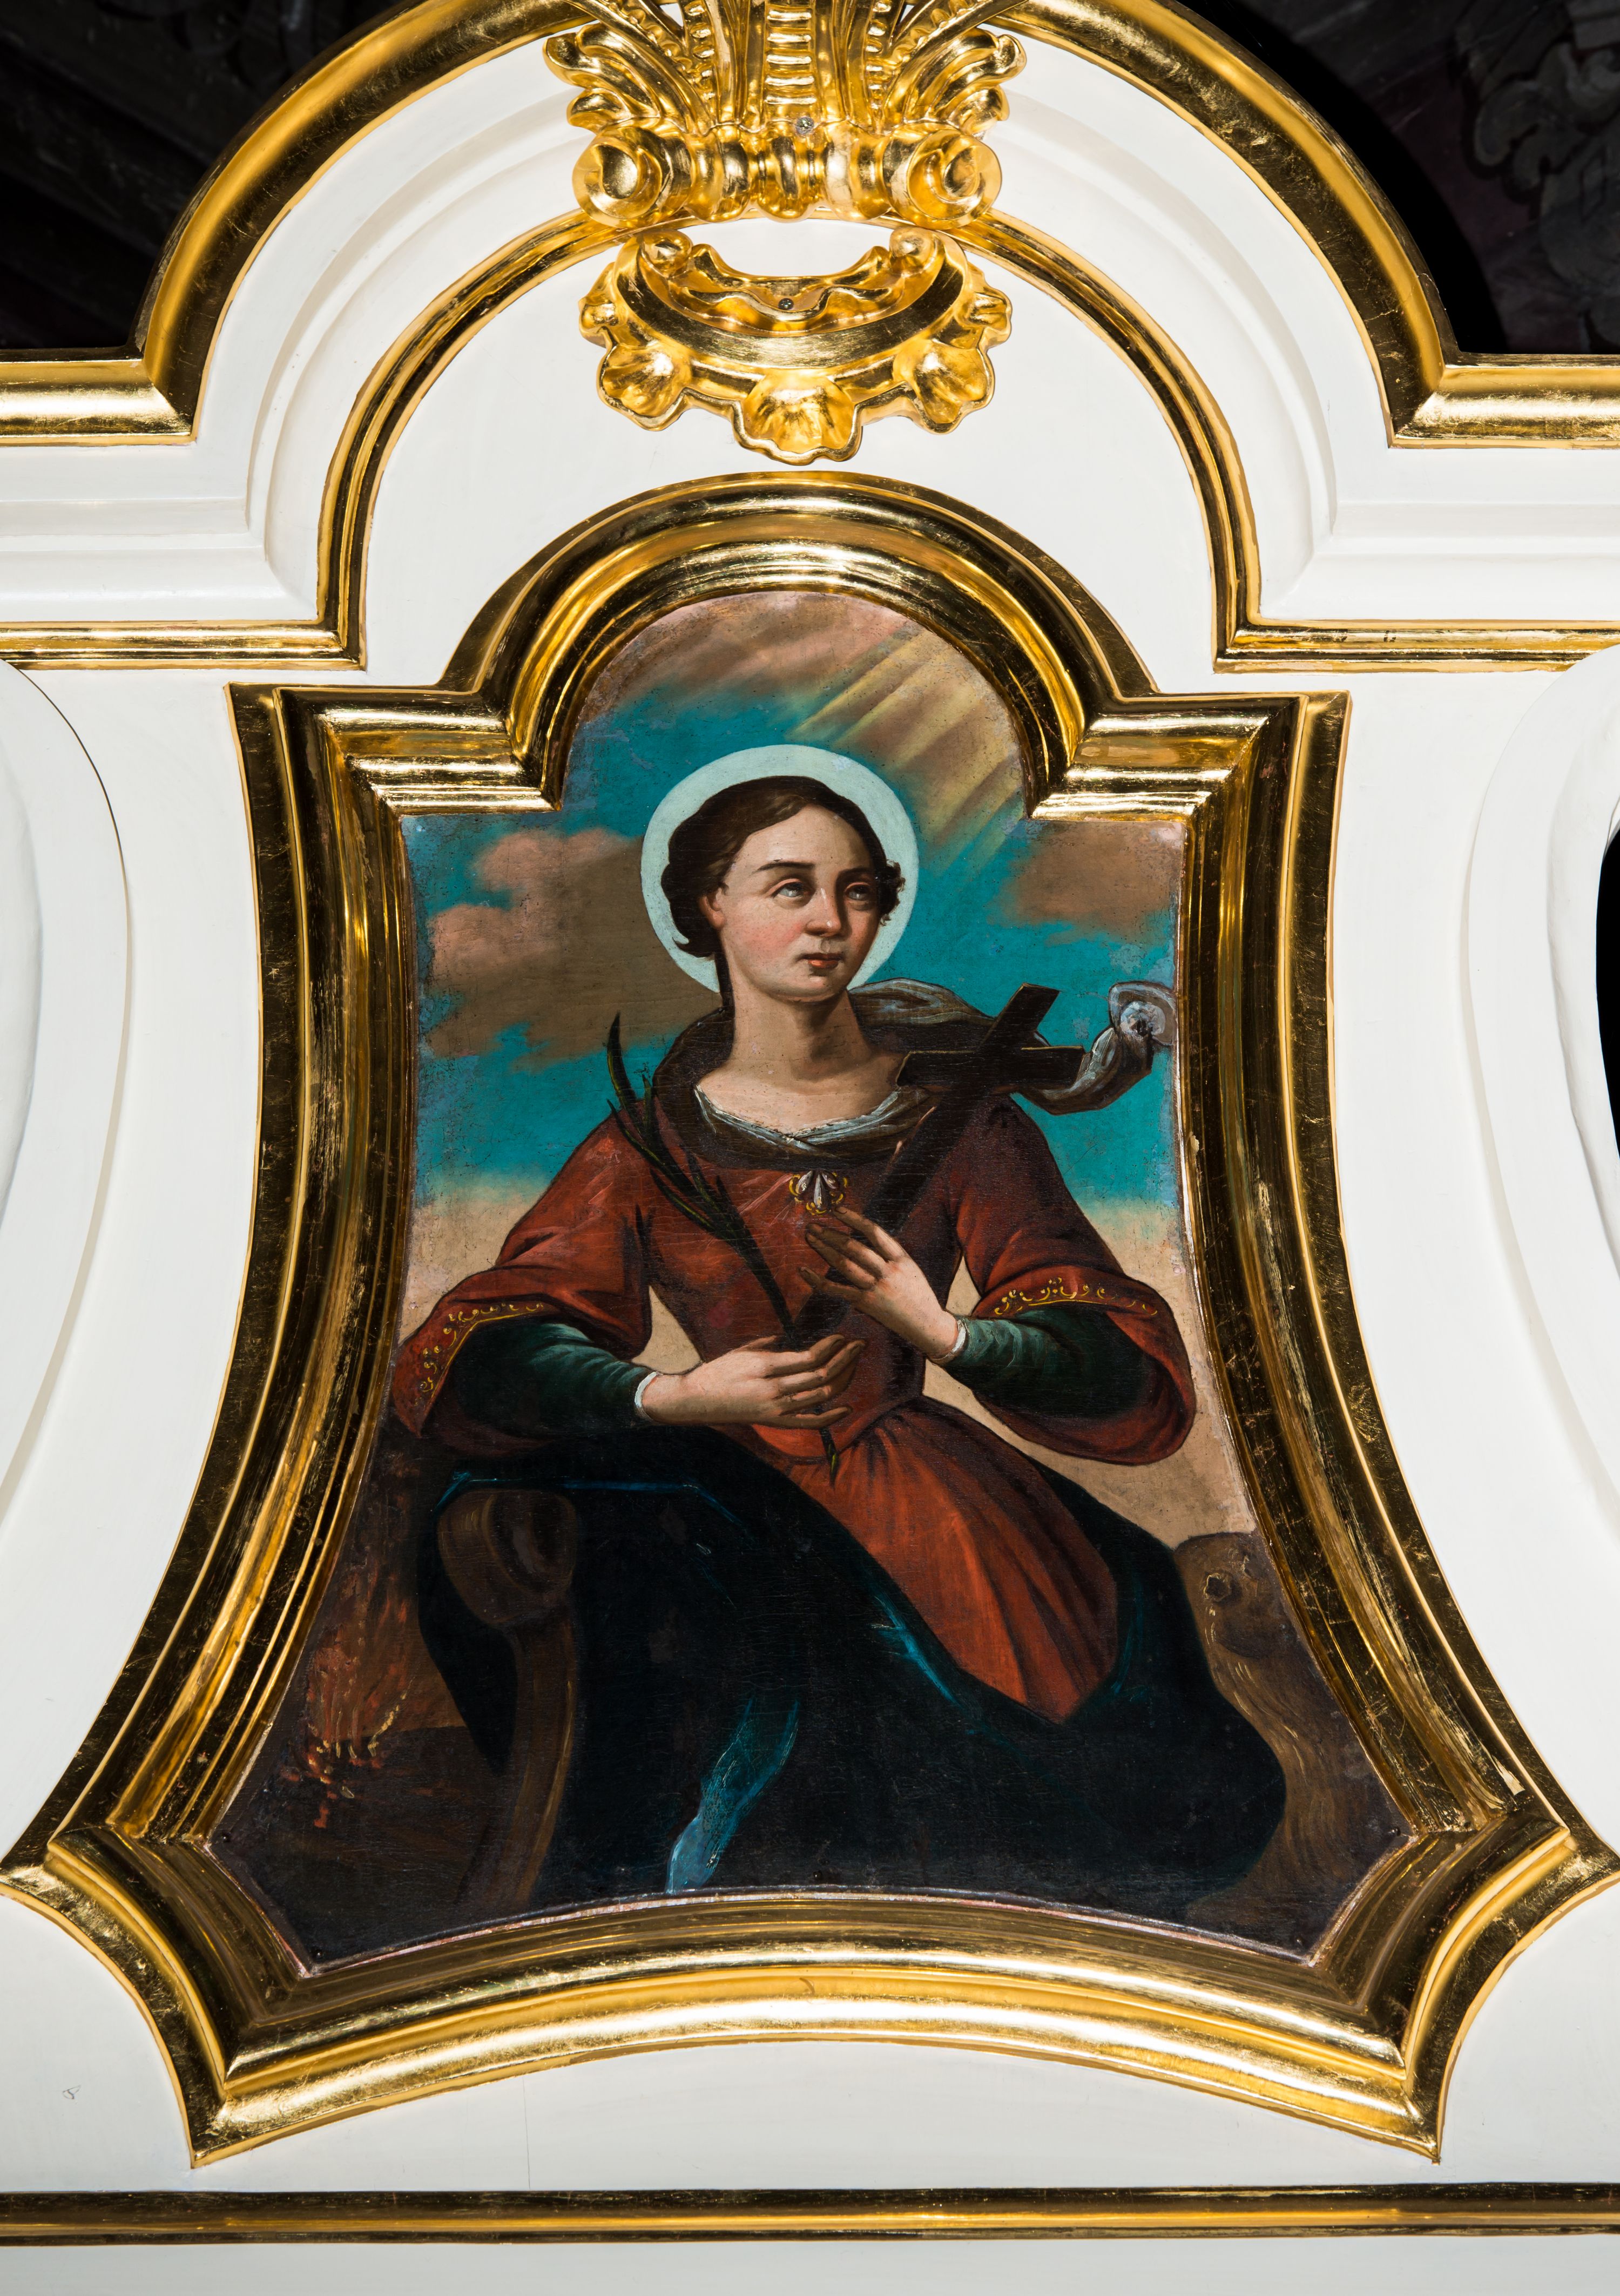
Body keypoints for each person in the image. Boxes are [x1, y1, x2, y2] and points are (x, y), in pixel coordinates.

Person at [395, 772, 1282, 1913]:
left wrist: (947, 1333)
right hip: (724, 1496)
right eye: (791, 887)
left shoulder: (961, 1115)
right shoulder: (649, 1145)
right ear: (710, 905)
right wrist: (679, 1396)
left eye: (858, 892)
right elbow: (491, 1340)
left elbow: (1113, 1354)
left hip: (940, 1514)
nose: (829, 920)